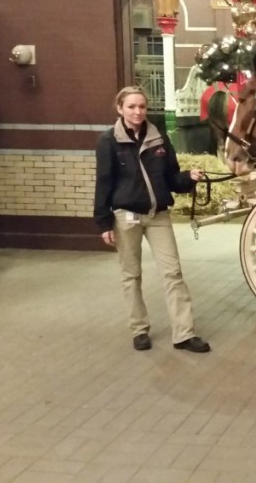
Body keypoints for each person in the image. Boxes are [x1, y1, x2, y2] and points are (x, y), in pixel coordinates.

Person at [94, 86, 211, 354]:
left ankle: (184, 333)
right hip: (126, 216)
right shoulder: (108, 141)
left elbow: (171, 177)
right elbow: (103, 182)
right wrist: (103, 221)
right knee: (131, 275)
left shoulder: (158, 138)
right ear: (120, 109)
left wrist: (187, 179)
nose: (137, 112)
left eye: (142, 107)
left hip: (158, 214)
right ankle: (139, 329)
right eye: (132, 106)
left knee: (173, 273)